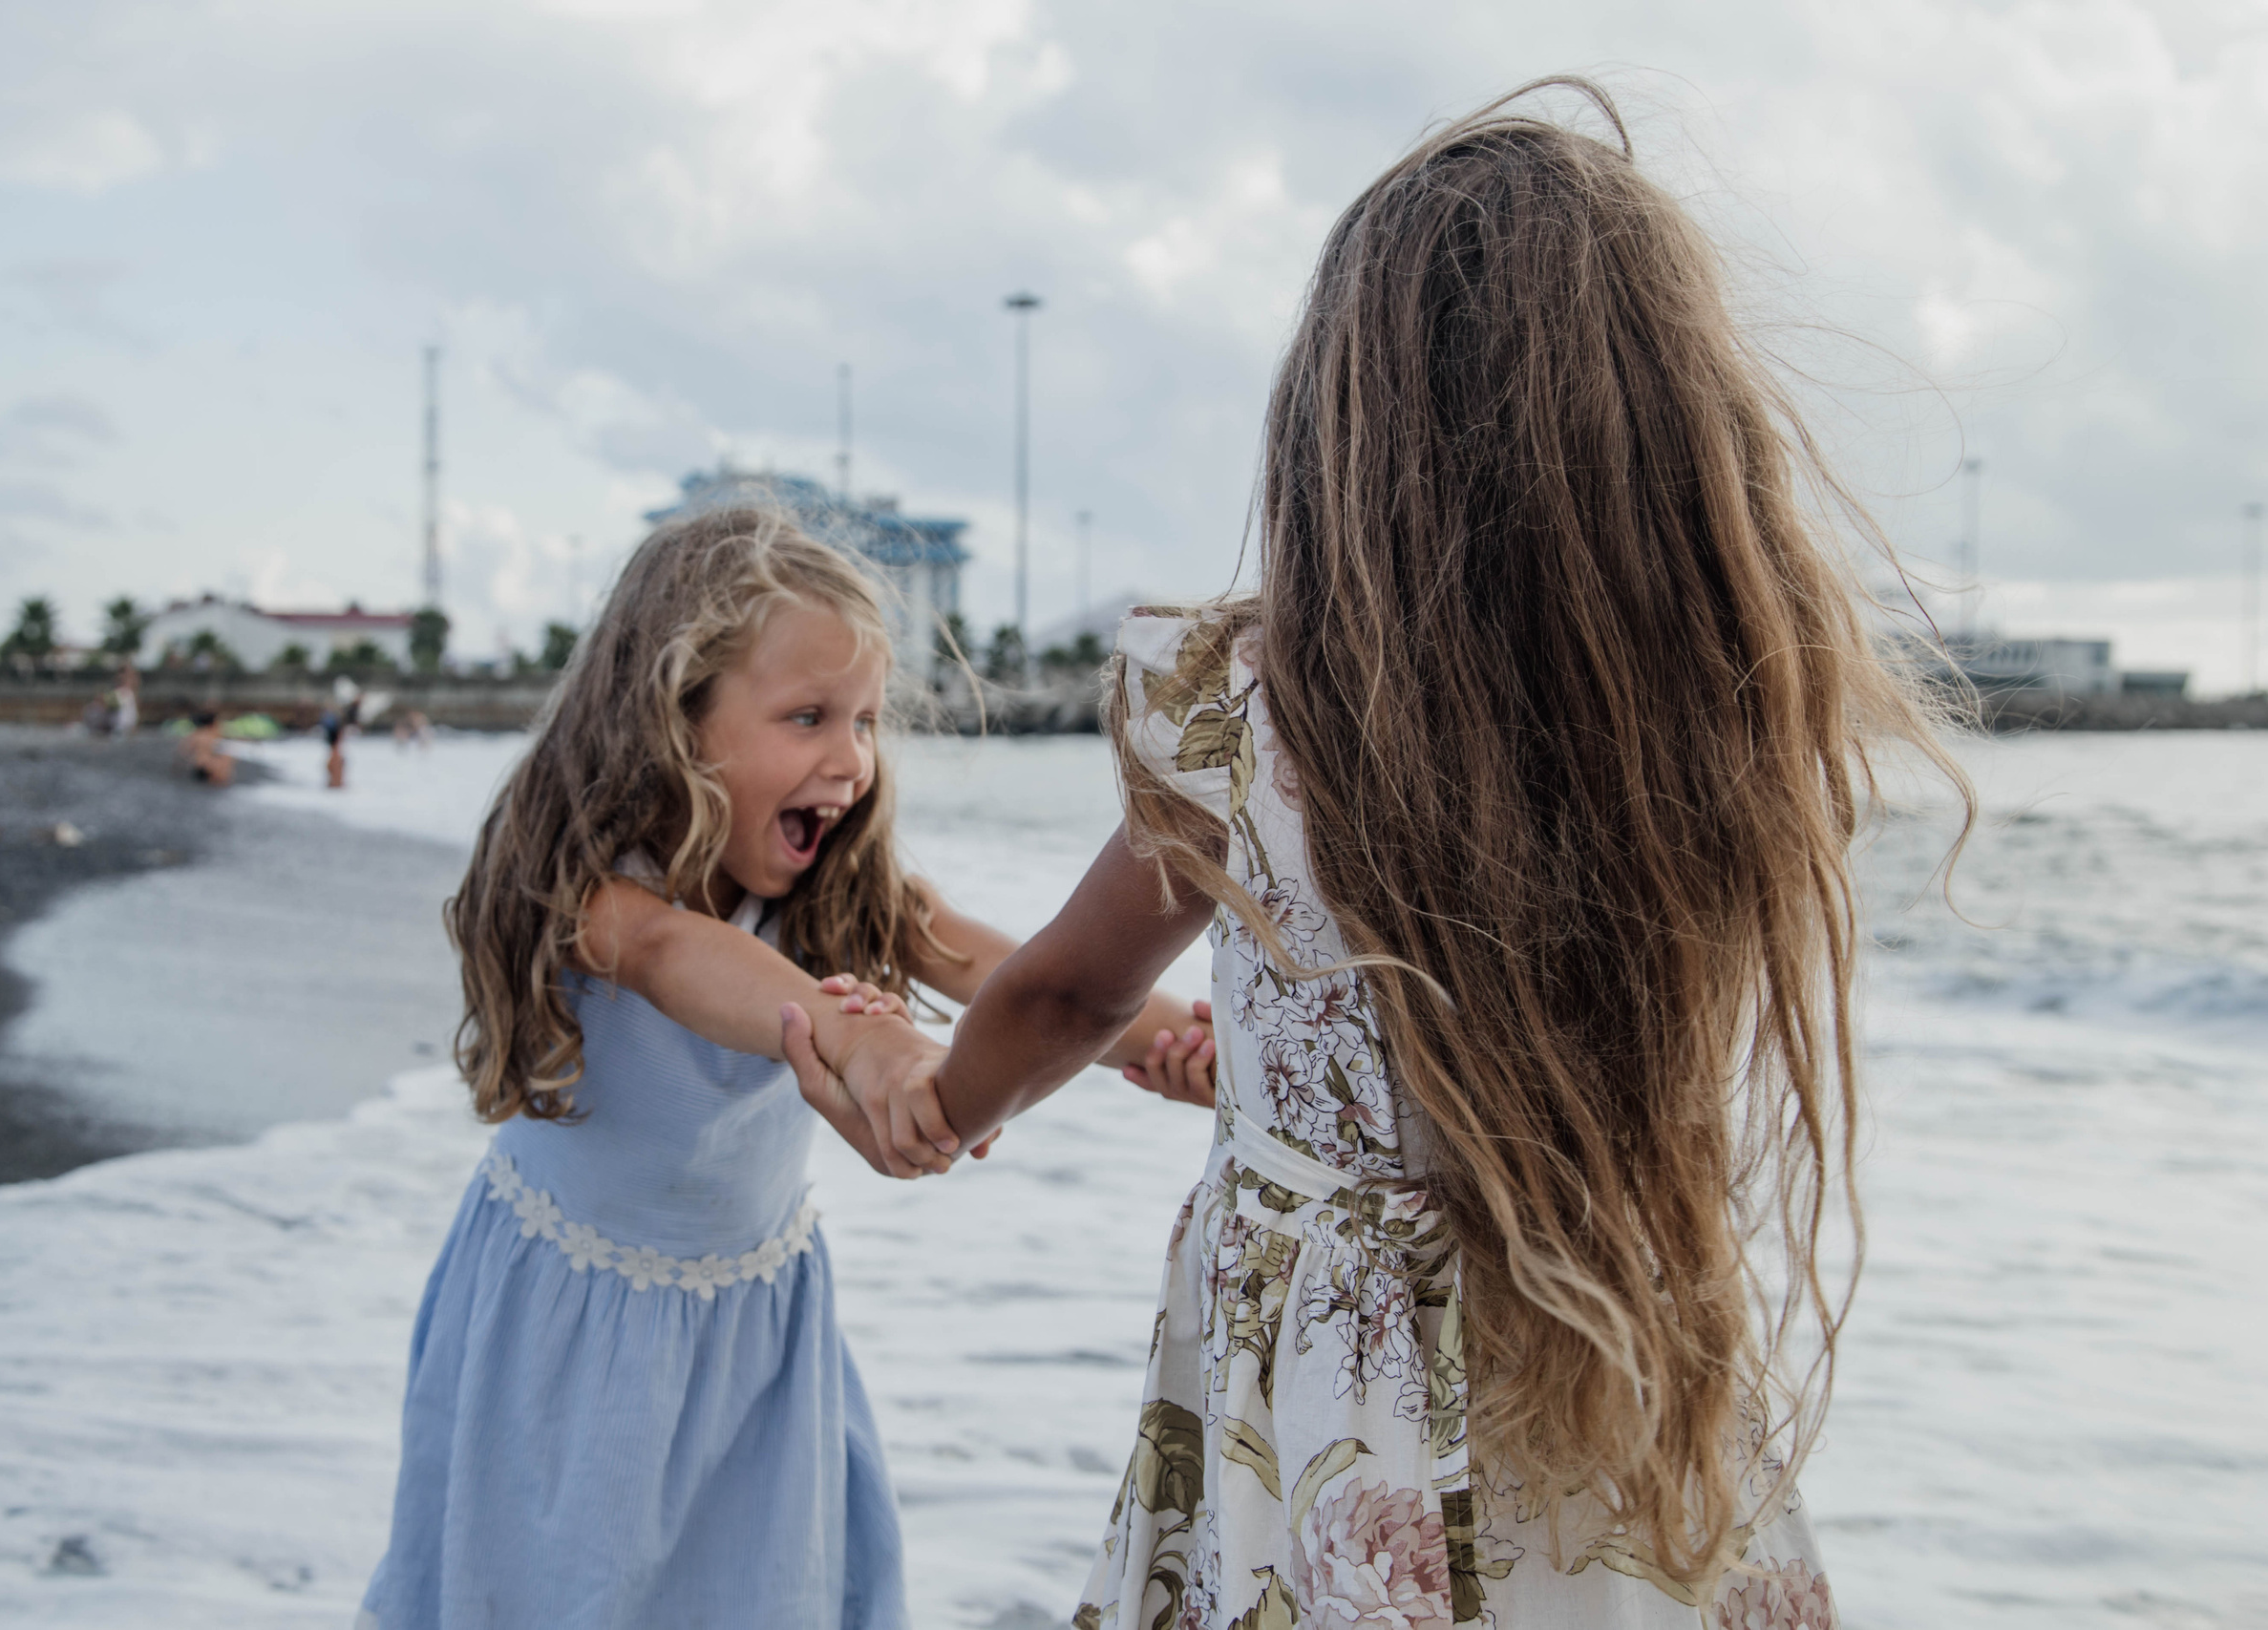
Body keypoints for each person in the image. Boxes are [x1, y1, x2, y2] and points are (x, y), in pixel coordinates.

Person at [799, 83, 1962, 1630]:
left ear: (1341, 418)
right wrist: (1290, 1065)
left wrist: (936, 1101)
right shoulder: (1714, 708)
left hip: (1339, 1403)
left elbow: (1072, 994)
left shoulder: (1234, 710)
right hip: (1604, 1311)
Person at [357, 508, 1218, 1630]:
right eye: (807, 716)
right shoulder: (596, 898)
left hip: (757, 1336)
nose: (850, 757)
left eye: (862, 720)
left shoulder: (836, 890)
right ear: (674, 721)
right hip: (572, 1342)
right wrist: (860, 1039)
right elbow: (686, 960)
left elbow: (1016, 974)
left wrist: (1182, 1042)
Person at [180, 709, 235, 787]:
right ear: (213, 723)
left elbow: (183, 752)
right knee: (227, 758)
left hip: (198, 767)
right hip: (207, 767)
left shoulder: (196, 734)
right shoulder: (212, 735)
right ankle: (221, 781)